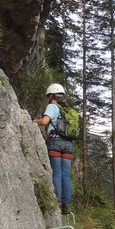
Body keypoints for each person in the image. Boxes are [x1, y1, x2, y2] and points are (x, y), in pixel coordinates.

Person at [32, 83, 73, 215]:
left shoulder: (52, 106)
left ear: (51, 96)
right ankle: (66, 205)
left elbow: (44, 122)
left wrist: (33, 121)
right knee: (65, 174)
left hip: (55, 142)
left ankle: (58, 202)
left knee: (56, 172)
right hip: (68, 144)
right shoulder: (66, 110)